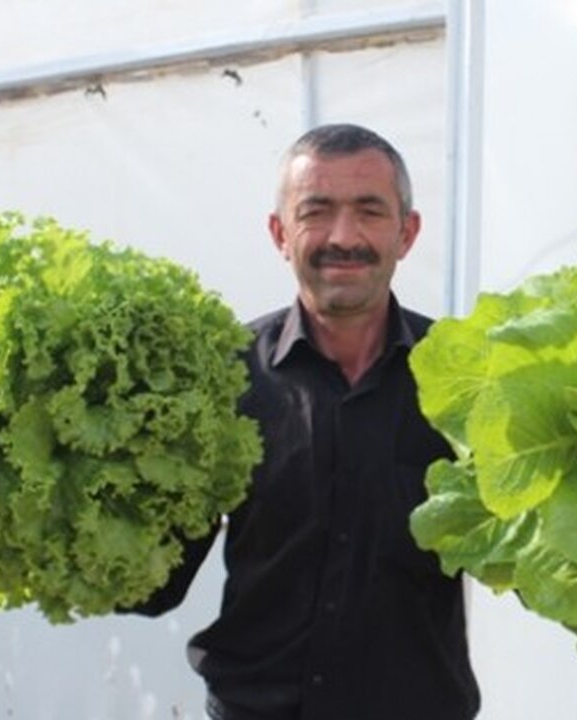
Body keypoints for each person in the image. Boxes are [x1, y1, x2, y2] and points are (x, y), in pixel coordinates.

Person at [129, 123, 480, 720]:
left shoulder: (466, 378)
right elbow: (156, 582)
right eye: (316, 212)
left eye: (369, 211)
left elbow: (531, 551)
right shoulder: (221, 379)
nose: (343, 236)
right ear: (280, 233)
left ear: (407, 232)